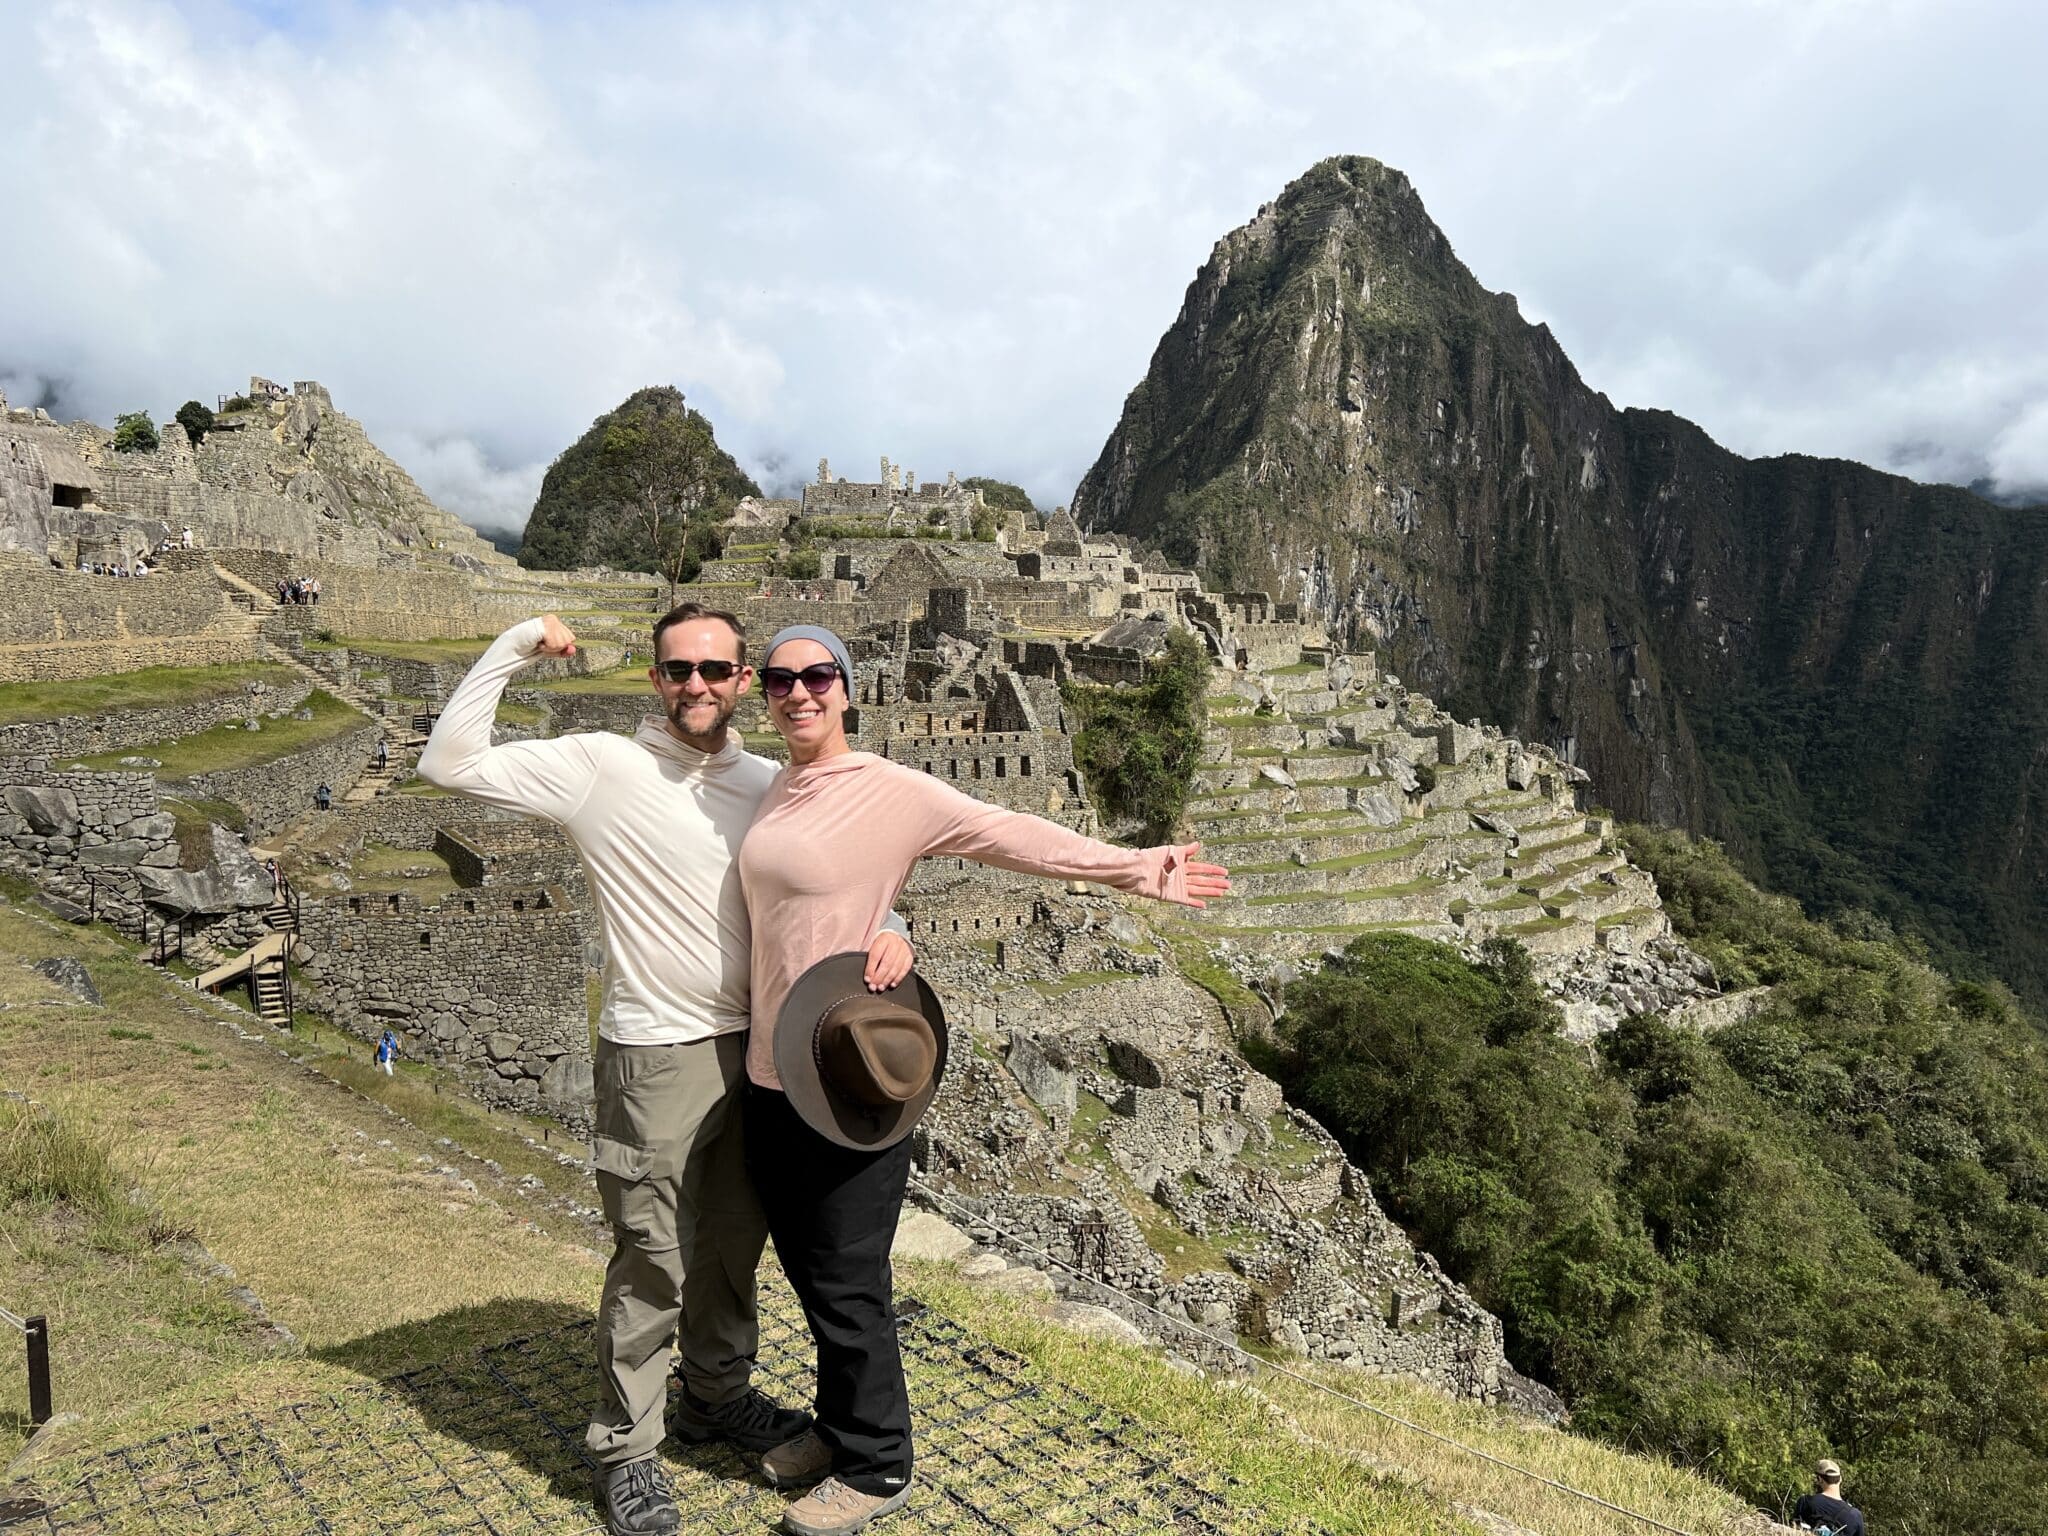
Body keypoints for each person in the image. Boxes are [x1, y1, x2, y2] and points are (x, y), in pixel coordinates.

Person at [418, 607, 914, 1536]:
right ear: (656, 678)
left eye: (717, 669)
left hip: (763, 1054)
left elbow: (849, 872)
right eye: (679, 669)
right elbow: (448, 761)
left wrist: (890, 928)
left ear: (740, 682)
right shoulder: (602, 765)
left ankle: (714, 1397)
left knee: (732, 1248)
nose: (697, 685)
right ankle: (627, 1448)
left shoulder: (767, 782)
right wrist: (518, 645)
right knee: (653, 1257)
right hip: (656, 1052)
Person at [737, 623, 1229, 1536]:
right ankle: (841, 1430)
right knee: (808, 1267)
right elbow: (828, 895)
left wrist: (1136, 867)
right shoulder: (775, 788)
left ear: (846, 688)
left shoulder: (891, 788)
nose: (797, 693)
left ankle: (879, 1467)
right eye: (780, 680)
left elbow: (1008, 834)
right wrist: (894, 916)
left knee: (849, 1278)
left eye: (816, 677)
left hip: (845, 1072)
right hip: (770, 1070)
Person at [1795, 1459, 1864, 1536]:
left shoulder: (1805, 1502)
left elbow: (1794, 1529)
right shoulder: (1855, 1515)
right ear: (1840, 1479)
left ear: (1820, 1479)